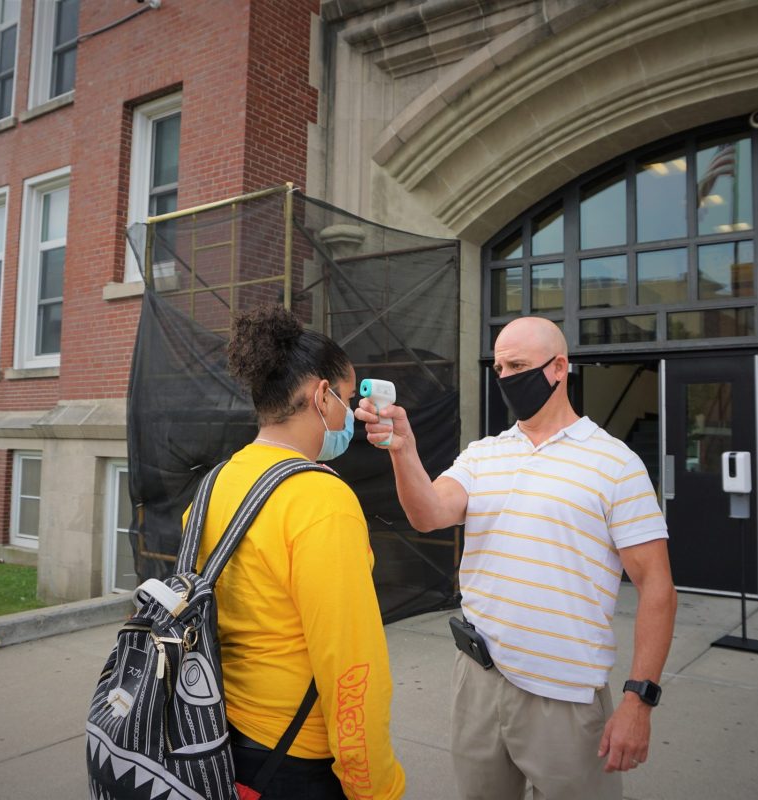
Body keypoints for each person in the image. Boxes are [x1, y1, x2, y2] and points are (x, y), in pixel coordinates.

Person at [357, 316, 677, 800]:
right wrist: (403, 451)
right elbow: (429, 514)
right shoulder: (483, 455)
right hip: (480, 681)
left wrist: (639, 701)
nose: (506, 377)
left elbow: (657, 587)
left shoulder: (616, 463)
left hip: (566, 694)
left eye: (519, 365)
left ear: (559, 368)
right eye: (501, 366)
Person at [189, 304, 405, 799]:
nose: (352, 414)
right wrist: (377, 788)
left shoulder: (217, 481)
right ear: (321, 395)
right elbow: (351, 665)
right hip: (294, 757)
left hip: (217, 732)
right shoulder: (322, 501)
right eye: (349, 400)